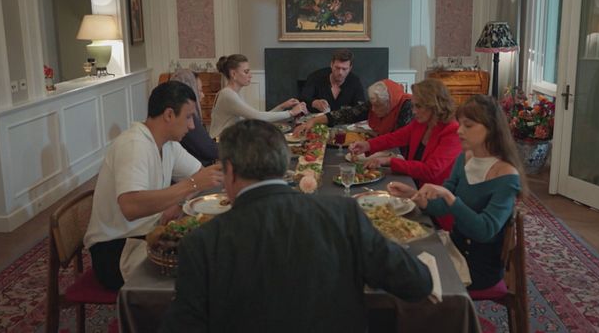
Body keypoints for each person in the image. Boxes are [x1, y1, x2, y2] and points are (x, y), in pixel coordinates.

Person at [160, 119, 433, 332]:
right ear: (284, 166)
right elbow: (418, 283)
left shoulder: (201, 243)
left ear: (229, 170)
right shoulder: (343, 215)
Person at [83, 81, 224, 290]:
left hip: (145, 233)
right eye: (188, 117)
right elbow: (131, 207)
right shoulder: (134, 145)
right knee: (201, 266)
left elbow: (201, 174)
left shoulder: (169, 145)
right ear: (169, 115)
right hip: (115, 249)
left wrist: (180, 201)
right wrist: (191, 185)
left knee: (211, 249)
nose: (192, 126)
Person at [388, 95, 524, 291]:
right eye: (460, 124)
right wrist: (412, 194)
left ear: (491, 128)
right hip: (455, 246)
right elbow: (441, 208)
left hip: (478, 266)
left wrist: (449, 197)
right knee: (394, 258)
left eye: (468, 126)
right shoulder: (464, 158)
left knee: (408, 279)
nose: (459, 131)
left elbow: (485, 230)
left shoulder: (507, 175)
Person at [349, 78, 461, 187]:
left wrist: (389, 161)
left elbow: (430, 171)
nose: (414, 111)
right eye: (413, 105)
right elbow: (395, 137)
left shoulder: (453, 131)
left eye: (418, 106)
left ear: (434, 106)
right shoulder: (422, 123)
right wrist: (367, 145)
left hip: (434, 193)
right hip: (412, 182)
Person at [209, 54, 307, 138]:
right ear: (233, 74)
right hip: (220, 144)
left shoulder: (232, 93)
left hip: (229, 140)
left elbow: (256, 118)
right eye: (246, 72)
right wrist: (291, 113)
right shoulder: (228, 95)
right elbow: (258, 117)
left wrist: (282, 106)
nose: (250, 75)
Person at [294, 79, 413, 136]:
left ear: (389, 104)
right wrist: (312, 121)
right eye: (372, 105)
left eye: (377, 106)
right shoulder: (377, 102)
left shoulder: (407, 107)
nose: (372, 109)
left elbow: (399, 139)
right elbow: (348, 114)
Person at [169, 69, 218, 166]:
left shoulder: (180, 115)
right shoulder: (187, 118)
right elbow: (210, 150)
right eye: (199, 91)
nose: (203, 95)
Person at [299, 48, 366, 113]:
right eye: (337, 68)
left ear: (350, 68)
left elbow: (361, 107)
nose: (340, 72)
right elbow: (302, 99)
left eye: (344, 69)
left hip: (345, 119)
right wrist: (314, 103)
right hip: (318, 119)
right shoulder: (315, 77)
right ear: (331, 64)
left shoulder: (355, 81)